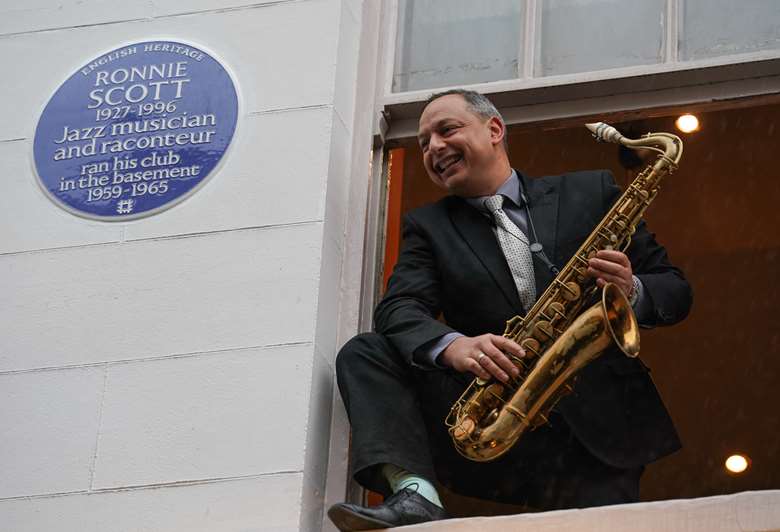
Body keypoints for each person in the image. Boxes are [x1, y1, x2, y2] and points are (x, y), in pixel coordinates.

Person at [328, 90, 692, 531]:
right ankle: (416, 494)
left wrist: (630, 288)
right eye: (424, 143)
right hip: (499, 414)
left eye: (447, 130)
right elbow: (399, 309)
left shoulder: (590, 190)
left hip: (600, 429)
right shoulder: (429, 227)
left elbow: (674, 290)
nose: (433, 148)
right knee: (365, 351)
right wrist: (454, 346)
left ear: (495, 130)